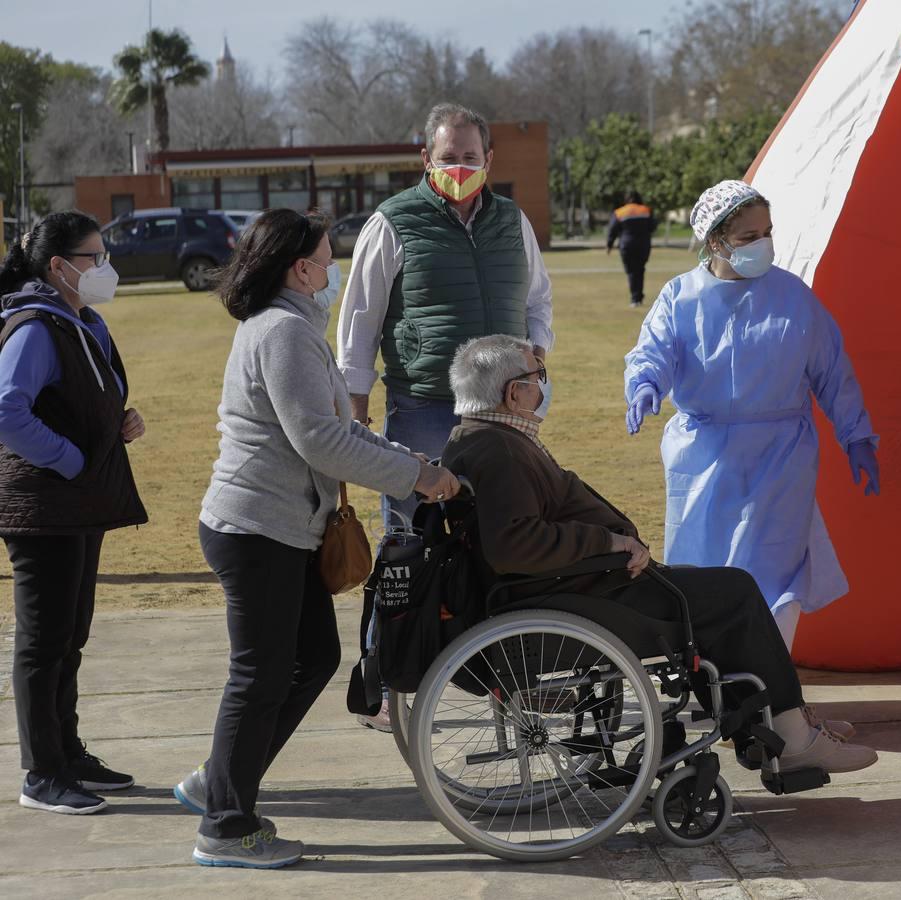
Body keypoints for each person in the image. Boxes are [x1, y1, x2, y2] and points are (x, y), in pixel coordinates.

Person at [440, 334, 877, 773]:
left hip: (569, 588)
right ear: (514, 394)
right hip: (573, 596)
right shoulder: (500, 451)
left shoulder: (479, 436)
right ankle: (793, 736)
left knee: (711, 590)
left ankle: (770, 724)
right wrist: (609, 543)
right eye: (538, 376)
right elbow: (515, 543)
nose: (543, 385)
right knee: (734, 592)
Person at [176, 209, 459, 869]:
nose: (335, 270)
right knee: (260, 675)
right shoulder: (283, 333)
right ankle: (226, 826)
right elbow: (321, 441)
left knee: (312, 657)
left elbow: (340, 430)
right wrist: (417, 475)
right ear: (298, 269)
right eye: (328, 258)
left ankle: (220, 780)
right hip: (256, 530)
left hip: (280, 528)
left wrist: (416, 470)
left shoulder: (297, 327)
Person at [338, 102, 554, 730]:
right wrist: (358, 419)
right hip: (425, 410)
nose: (459, 166)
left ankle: (510, 682)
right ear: (426, 160)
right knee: (412, 546)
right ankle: (383, 683)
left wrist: (537, 357)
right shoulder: (393, 222)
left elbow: (538, 300)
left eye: (470, 156)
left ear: (490, 160)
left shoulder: (513, 222)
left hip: (506, 415)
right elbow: (359, 323)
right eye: (448, 156)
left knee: (512, 544)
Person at [623, 180, 881, 655]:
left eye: (767, 231)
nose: (762, 244)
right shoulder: (680, 298)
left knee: (776, 574)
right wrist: (644, 385)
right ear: (714, 240)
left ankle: (772, 693)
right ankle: (716, 687)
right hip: (704, 460)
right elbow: (653, 351)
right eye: (747, 237)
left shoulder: (792, 297)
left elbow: (830, 369)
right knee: (705, 570)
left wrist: (856, 433)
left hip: (782, 456)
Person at [0, 211, 147, 816]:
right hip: (43, 506)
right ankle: (42, 773)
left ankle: (67, 752)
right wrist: (67, 459)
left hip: (78, 502)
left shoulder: (82, 318)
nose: (105, 268)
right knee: (43, 642)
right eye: (94, 258)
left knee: (71, 635)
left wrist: (121, 422)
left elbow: (92, 398)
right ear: (59, 267)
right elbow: (7, 412)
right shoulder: (34, 325)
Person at [606, 190, 658, 308]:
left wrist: (609, 245)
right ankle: (638, 296)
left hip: (627, 245)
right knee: (640, 270)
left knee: (631, 272)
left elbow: (612, 229)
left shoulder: (620, 212)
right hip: (643, 245)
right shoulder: (646, 210)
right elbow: (653, 226)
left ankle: (635, 298)